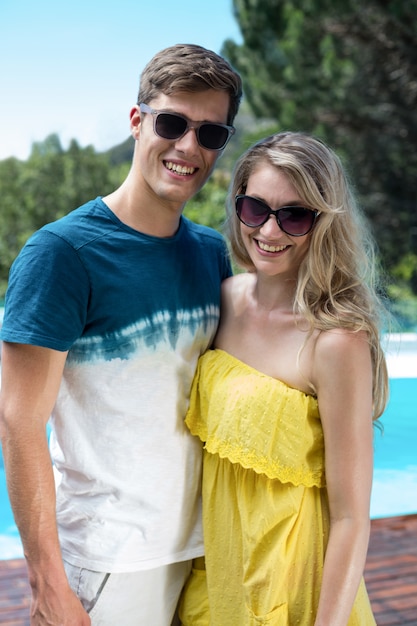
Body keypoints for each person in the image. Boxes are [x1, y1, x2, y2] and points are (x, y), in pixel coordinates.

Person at [0, 43, 242, 626]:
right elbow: (18, 420)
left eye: (210, 134)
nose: (189, 147)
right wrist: (48, 584)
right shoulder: (61, 253)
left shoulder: (212, 252)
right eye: (172, 123)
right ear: (137, 123)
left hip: (206, 552)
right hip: (109, 564)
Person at [178, 132, 389, 625]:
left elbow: (351, 517)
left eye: (294, 215)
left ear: (323, 223)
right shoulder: (225, 298)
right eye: (255, 209)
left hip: (297, 590)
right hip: (219, 577)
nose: (269, 231)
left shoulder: (336, 341)